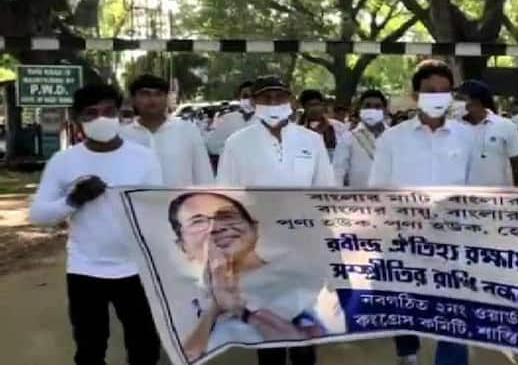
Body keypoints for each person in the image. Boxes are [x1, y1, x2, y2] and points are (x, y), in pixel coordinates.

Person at [29, 84, 163, 365]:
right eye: (91, 114)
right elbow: (39, 214)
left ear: (119, 114)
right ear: (77, 119)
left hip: (136, 268)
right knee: (90, 348)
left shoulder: (143, 157)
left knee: (145, 345)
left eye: (108, 112)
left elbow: (157, 211)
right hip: (85, 268)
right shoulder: (64, 160)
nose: (101, 119)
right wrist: (73, 200)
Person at [216, 75, 334, 365]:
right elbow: (226, 199)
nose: (273, 103)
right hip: (259, 249)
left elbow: (325, 195)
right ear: (253, 102)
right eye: (265, 98)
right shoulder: (237, 143)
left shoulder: (311, 140)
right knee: (268, 330)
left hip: (303, 247)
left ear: (291, 101)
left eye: (279, 97)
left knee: (305, 327)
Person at [369, 59, 472, 365]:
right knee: (403, 304)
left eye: (445, 91)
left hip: (453, 240)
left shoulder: (466, 137)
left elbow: (476, 189)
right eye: (430, 91)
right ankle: (408, 353)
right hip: (403, 239)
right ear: (415, 96)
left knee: (453, 315)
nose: (439, 97)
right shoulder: (392, 138)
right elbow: (378, 188)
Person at [168, 192, 329, 362]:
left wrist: (241, 311)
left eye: (227, 216)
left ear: (254, 227)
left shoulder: (300, 280)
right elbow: (188, 354)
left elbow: (307, 335)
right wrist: (216, 306)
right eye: (197, 222)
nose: (216, 227)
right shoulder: (186, 295)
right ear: (182, 245)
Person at [120, 74, 214, 187]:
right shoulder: (123, 135)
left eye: (158, 94)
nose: (152, 99)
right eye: (145, 94)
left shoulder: (187, 131)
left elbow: (204, 176)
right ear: (133, 100)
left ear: (166, 98)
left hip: (181, 203)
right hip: (135, 203)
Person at [454, 80, 518, 187]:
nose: (455, 103)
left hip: (496, 199)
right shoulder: (452, 127)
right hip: (458, 198)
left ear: (476, 100)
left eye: (461, 98)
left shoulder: (505, 126)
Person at [333, 89, 389, 187]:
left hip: (391, 198)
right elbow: (338, 171)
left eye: (377, 107)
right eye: (367, 106)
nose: (372, 110)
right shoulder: (348, 138)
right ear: (360, 109)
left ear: (385, 110)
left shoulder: (394, 137)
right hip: (359, 198)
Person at [206, 81, 258, 169]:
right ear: (239, 98)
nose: (249, 99)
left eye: (252, 96)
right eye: (245, 96)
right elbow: (212, 145)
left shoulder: (266, 120)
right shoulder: (227, 119)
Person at [298, 90, 348, 161]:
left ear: (322, 105)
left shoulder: (337, 126)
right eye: (311, 105)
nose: (315, 108)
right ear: (304, 107)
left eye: (317, 104)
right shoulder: (298, 129)